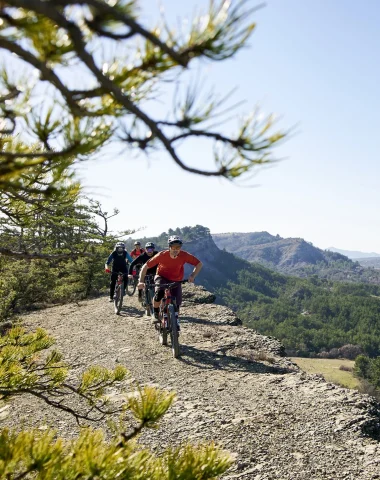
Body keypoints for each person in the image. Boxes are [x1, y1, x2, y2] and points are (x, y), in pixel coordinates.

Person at [138, 235, 203, 325]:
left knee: (177, 303)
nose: (176, 249)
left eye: (178, 247)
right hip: (161, 276)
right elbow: (145, 267)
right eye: (173, 247)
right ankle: (156, 314)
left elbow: (199, 264)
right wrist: (141, 281)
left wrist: (192, 275)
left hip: (176, 279)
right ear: (169, 247)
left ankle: (174, 324)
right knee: (159, 293)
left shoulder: (184, 255)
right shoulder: (162, 255)